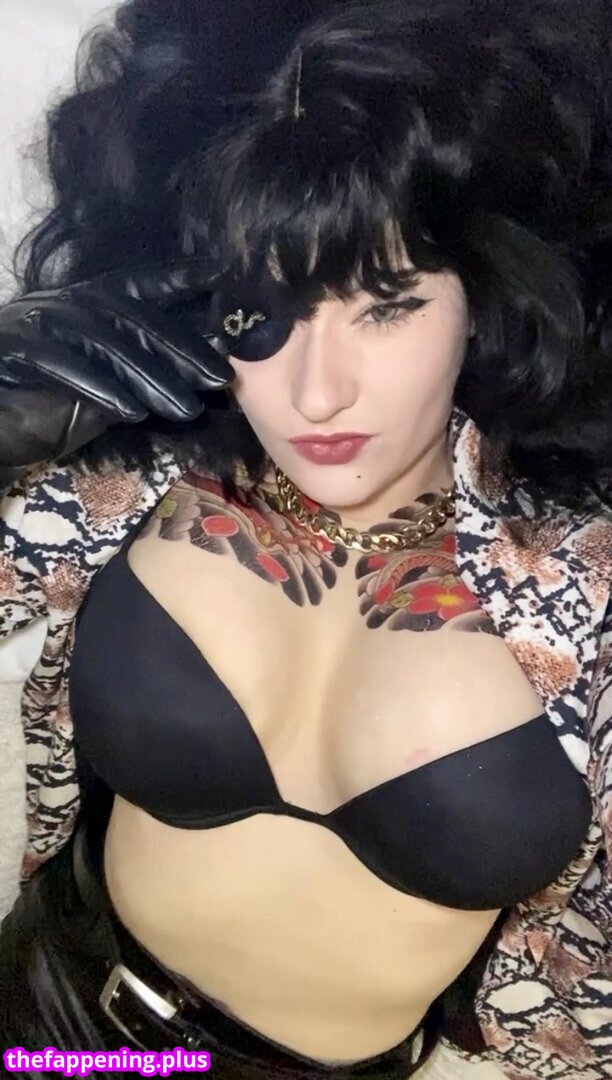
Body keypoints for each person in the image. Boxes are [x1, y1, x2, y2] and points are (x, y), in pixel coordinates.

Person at [0, 1, 611, 1078]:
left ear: (488, 292)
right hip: (47, 1011)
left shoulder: (585, 582)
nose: (317, 394)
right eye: (263, 311)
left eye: (386, 305)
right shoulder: (138, 467)